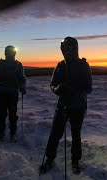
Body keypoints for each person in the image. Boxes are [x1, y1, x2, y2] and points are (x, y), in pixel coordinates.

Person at [41, 37, 92, 174]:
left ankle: (75, 161)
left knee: (76, 135)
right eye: (66, 48)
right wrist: (57, 89)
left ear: (76, 48)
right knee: (55, 133)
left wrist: (77, 94)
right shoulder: (60, 65)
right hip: (63, 105)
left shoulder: (83, 65)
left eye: (71, 48)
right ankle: (50, 159)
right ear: (62, 49)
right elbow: (52, 83)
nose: (68, 51)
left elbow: (88, 87)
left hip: (78, 106)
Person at [0, 45, 26, 143]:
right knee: (12, 114)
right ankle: (12, 134)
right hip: (13, 93)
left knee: (2, 114)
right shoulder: (18, 65)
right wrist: (22, 88)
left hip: (2, 92)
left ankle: (1, 134)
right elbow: (22, 78)